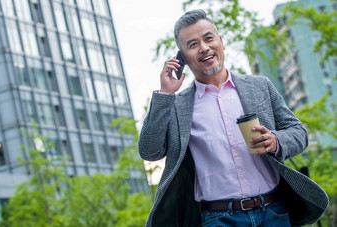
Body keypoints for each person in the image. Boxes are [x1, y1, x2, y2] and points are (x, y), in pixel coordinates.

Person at [139, 9, 328, 227]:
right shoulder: (177, 105)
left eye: (208, 38)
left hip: (274, 212)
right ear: (182, 59)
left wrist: (276, 141)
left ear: (221, 41)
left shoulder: (260, 87)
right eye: (193, 44)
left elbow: (298, 133)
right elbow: (150, 151)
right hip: (218, 219)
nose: (204, 48)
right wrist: (165, 95)